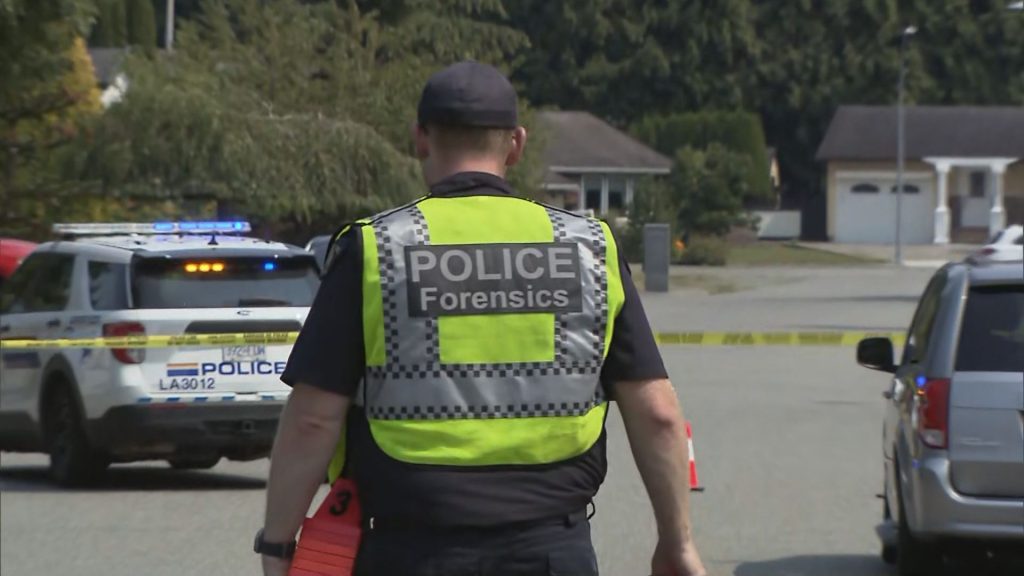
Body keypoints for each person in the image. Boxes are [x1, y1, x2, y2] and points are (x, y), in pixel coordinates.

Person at [257, 61, 706, 576]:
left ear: (421, 139)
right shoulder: (588, 248)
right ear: (515, 144)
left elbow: (313, 418)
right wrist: (678, 541)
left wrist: (278, 545)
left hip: (410, 550)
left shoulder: (376, 249)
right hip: (553, 551)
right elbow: (658, 415)